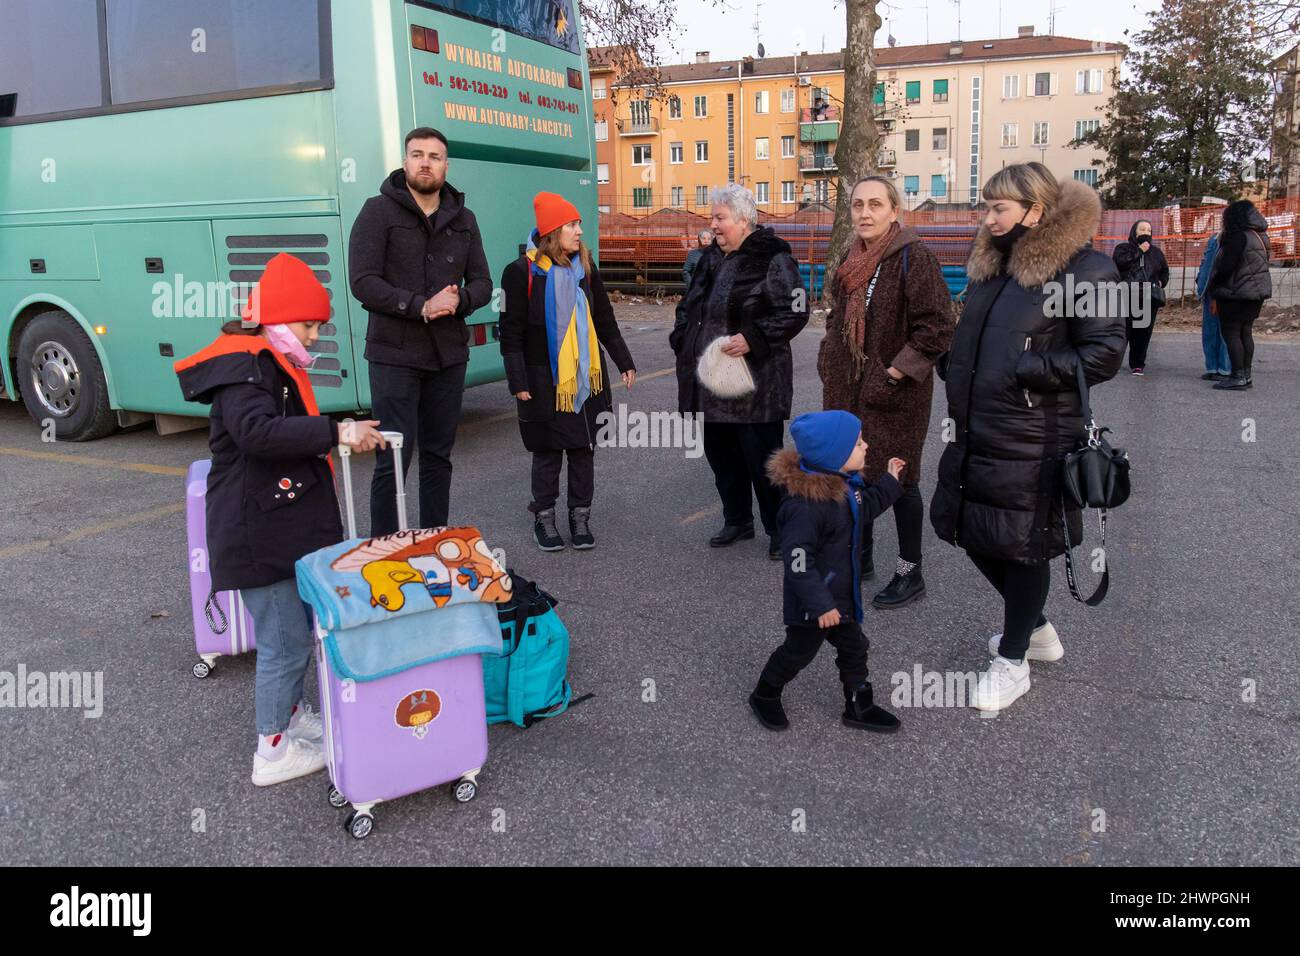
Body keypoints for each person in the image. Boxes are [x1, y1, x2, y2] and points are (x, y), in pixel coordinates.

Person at [175, 253, 387, 785]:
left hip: (267, 525)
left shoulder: (262, 358)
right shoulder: (249, 365)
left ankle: (290, 719)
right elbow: (258, 433)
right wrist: (336, 433)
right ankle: (271, 751)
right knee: (285, 642)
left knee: (291, 634)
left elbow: (276, 429)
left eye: (318, 326)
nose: (315, 337)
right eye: (308, 324)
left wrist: (339, 428)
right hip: (255, 533)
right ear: (279, 317)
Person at [930, 163, 1125, 713]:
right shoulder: (992, 266)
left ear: (1036, 212)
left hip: (1035, 435)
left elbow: (1104, 355)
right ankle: (1036, 630)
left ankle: (1013, 660)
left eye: (999, 208)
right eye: (986, 207)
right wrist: (956, 361)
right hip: (977, 427)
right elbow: (975, 334)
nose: (987, 218)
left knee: (1022, 544)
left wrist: (1025, 368)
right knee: (969, 528)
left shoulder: (1088, 270)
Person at [348, 127, 492, 535]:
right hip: (393, 355)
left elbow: (482, 282)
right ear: (405, 161)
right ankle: (386, 549)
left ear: (446, 165)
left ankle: (433, 543)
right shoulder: (377, 211)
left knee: (438, 456)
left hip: (447, 356)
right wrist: (420, 306)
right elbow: (363, 280)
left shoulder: (465, 220)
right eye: (417, 155)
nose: (425, 162)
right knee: (393, 456)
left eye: (434, 156)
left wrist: (459, 301)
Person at [819, 176, 954, 610]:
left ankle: (909, 571)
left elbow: (937, 328)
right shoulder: (851, 256)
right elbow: (837, 316)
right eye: (858, 205)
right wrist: (829, 359)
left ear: (895, 211)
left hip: (898, 395)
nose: (864, 213)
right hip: (847, 388)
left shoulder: (915, 258)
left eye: (875, 204)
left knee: (899, 479)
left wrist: (894, 373)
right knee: (854, 473)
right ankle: (860, 558)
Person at [671, 184, 807, 559]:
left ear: (744, 220)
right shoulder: (708, 259)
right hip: (712, 382)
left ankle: (781, 530)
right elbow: (688, 305)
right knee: (723, 459)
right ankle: (737, 520)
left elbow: (795, 311)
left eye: (720, 218)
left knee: (764, 462)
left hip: (755, 386)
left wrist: (754, 338)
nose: (712, 224)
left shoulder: (773, 259)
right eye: (712, 217)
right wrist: (682, 337)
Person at [748, 411, 906, 733]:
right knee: (798, 652)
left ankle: (859, 705)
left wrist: (890, 481)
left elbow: (868, 506)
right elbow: (797, 562)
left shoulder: (847, 488)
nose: (866, 446)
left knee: (854, 646)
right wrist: (820, 604)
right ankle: (765, 693)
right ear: (834, 456)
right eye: (858, 442)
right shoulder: (804, 508)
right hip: (813, 605)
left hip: (842, 599)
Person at [499, 192, 637, 550]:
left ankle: (580, 518)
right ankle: (544, 519)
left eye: (579, 224)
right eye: (572, 225)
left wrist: (624, 361)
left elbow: (604, 320)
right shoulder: (520, 273)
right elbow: (510, 333)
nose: (579, 231)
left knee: (583, 449)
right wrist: (518, 381)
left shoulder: (586, 271)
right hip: (543, 379)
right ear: (552, 232)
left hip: (585, 377)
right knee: (547, 452)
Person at [1209, 199, 1273, 391]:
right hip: (1256, 293)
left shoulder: (1237, 237)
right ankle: (1246, 375)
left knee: (1231, 333)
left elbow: (1227, 266)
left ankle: (1237, 376)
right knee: (1246, 332)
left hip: (1235, 293)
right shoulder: (1260, 235)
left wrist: (1215, 285)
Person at [1112, 219, 1169, 375]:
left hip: (1148, 298)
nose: (1145, 232)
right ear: (1134, 231)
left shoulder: (1156, 253)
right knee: (1123, 331)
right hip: (1126, 295)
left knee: (1143, 332)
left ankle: (1137, 363)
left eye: (1148, 230)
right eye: (1142, 229)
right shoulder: (1123, 248)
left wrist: (1161, 282)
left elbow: (1164, 271)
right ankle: (1113, 363)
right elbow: (1120, 263)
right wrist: (1139, 251)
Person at [1196, 232, 1232, 381]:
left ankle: (1224, 369)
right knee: (1210, 330)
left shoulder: (1235, 239)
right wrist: (1201, 280)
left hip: (1226, 292)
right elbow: (1206, 263)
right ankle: (1212, 367)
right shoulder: (1215, 238)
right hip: (1209, 290)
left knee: (1225, 332)